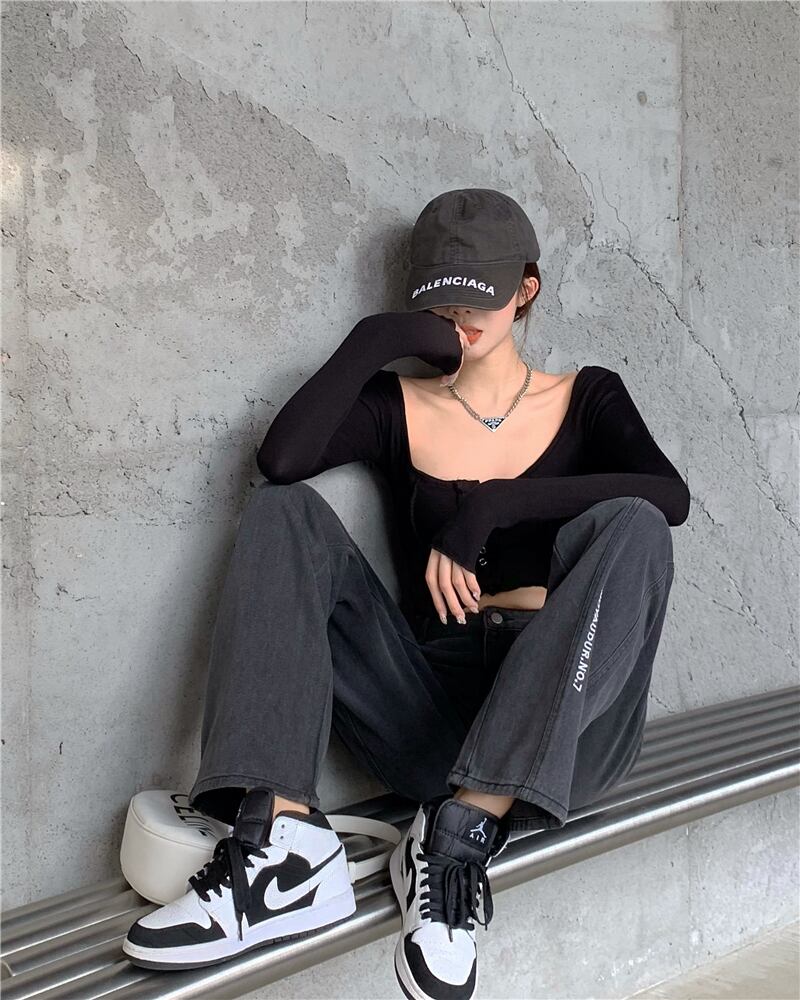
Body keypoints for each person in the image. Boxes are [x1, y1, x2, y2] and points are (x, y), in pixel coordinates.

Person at [123, 189, 690, 1000]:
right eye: (441, 300)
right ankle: (288, 851)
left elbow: (669, 497)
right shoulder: (400, 406)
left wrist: (490, 507)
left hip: (569, 734)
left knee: (636, 524)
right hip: (428, 724)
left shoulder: (587, 396)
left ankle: (458, 839)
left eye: (479, 297)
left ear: (526, 289)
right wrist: (376, 340)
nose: (460, 316)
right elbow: (282, 460)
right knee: (283, 513)